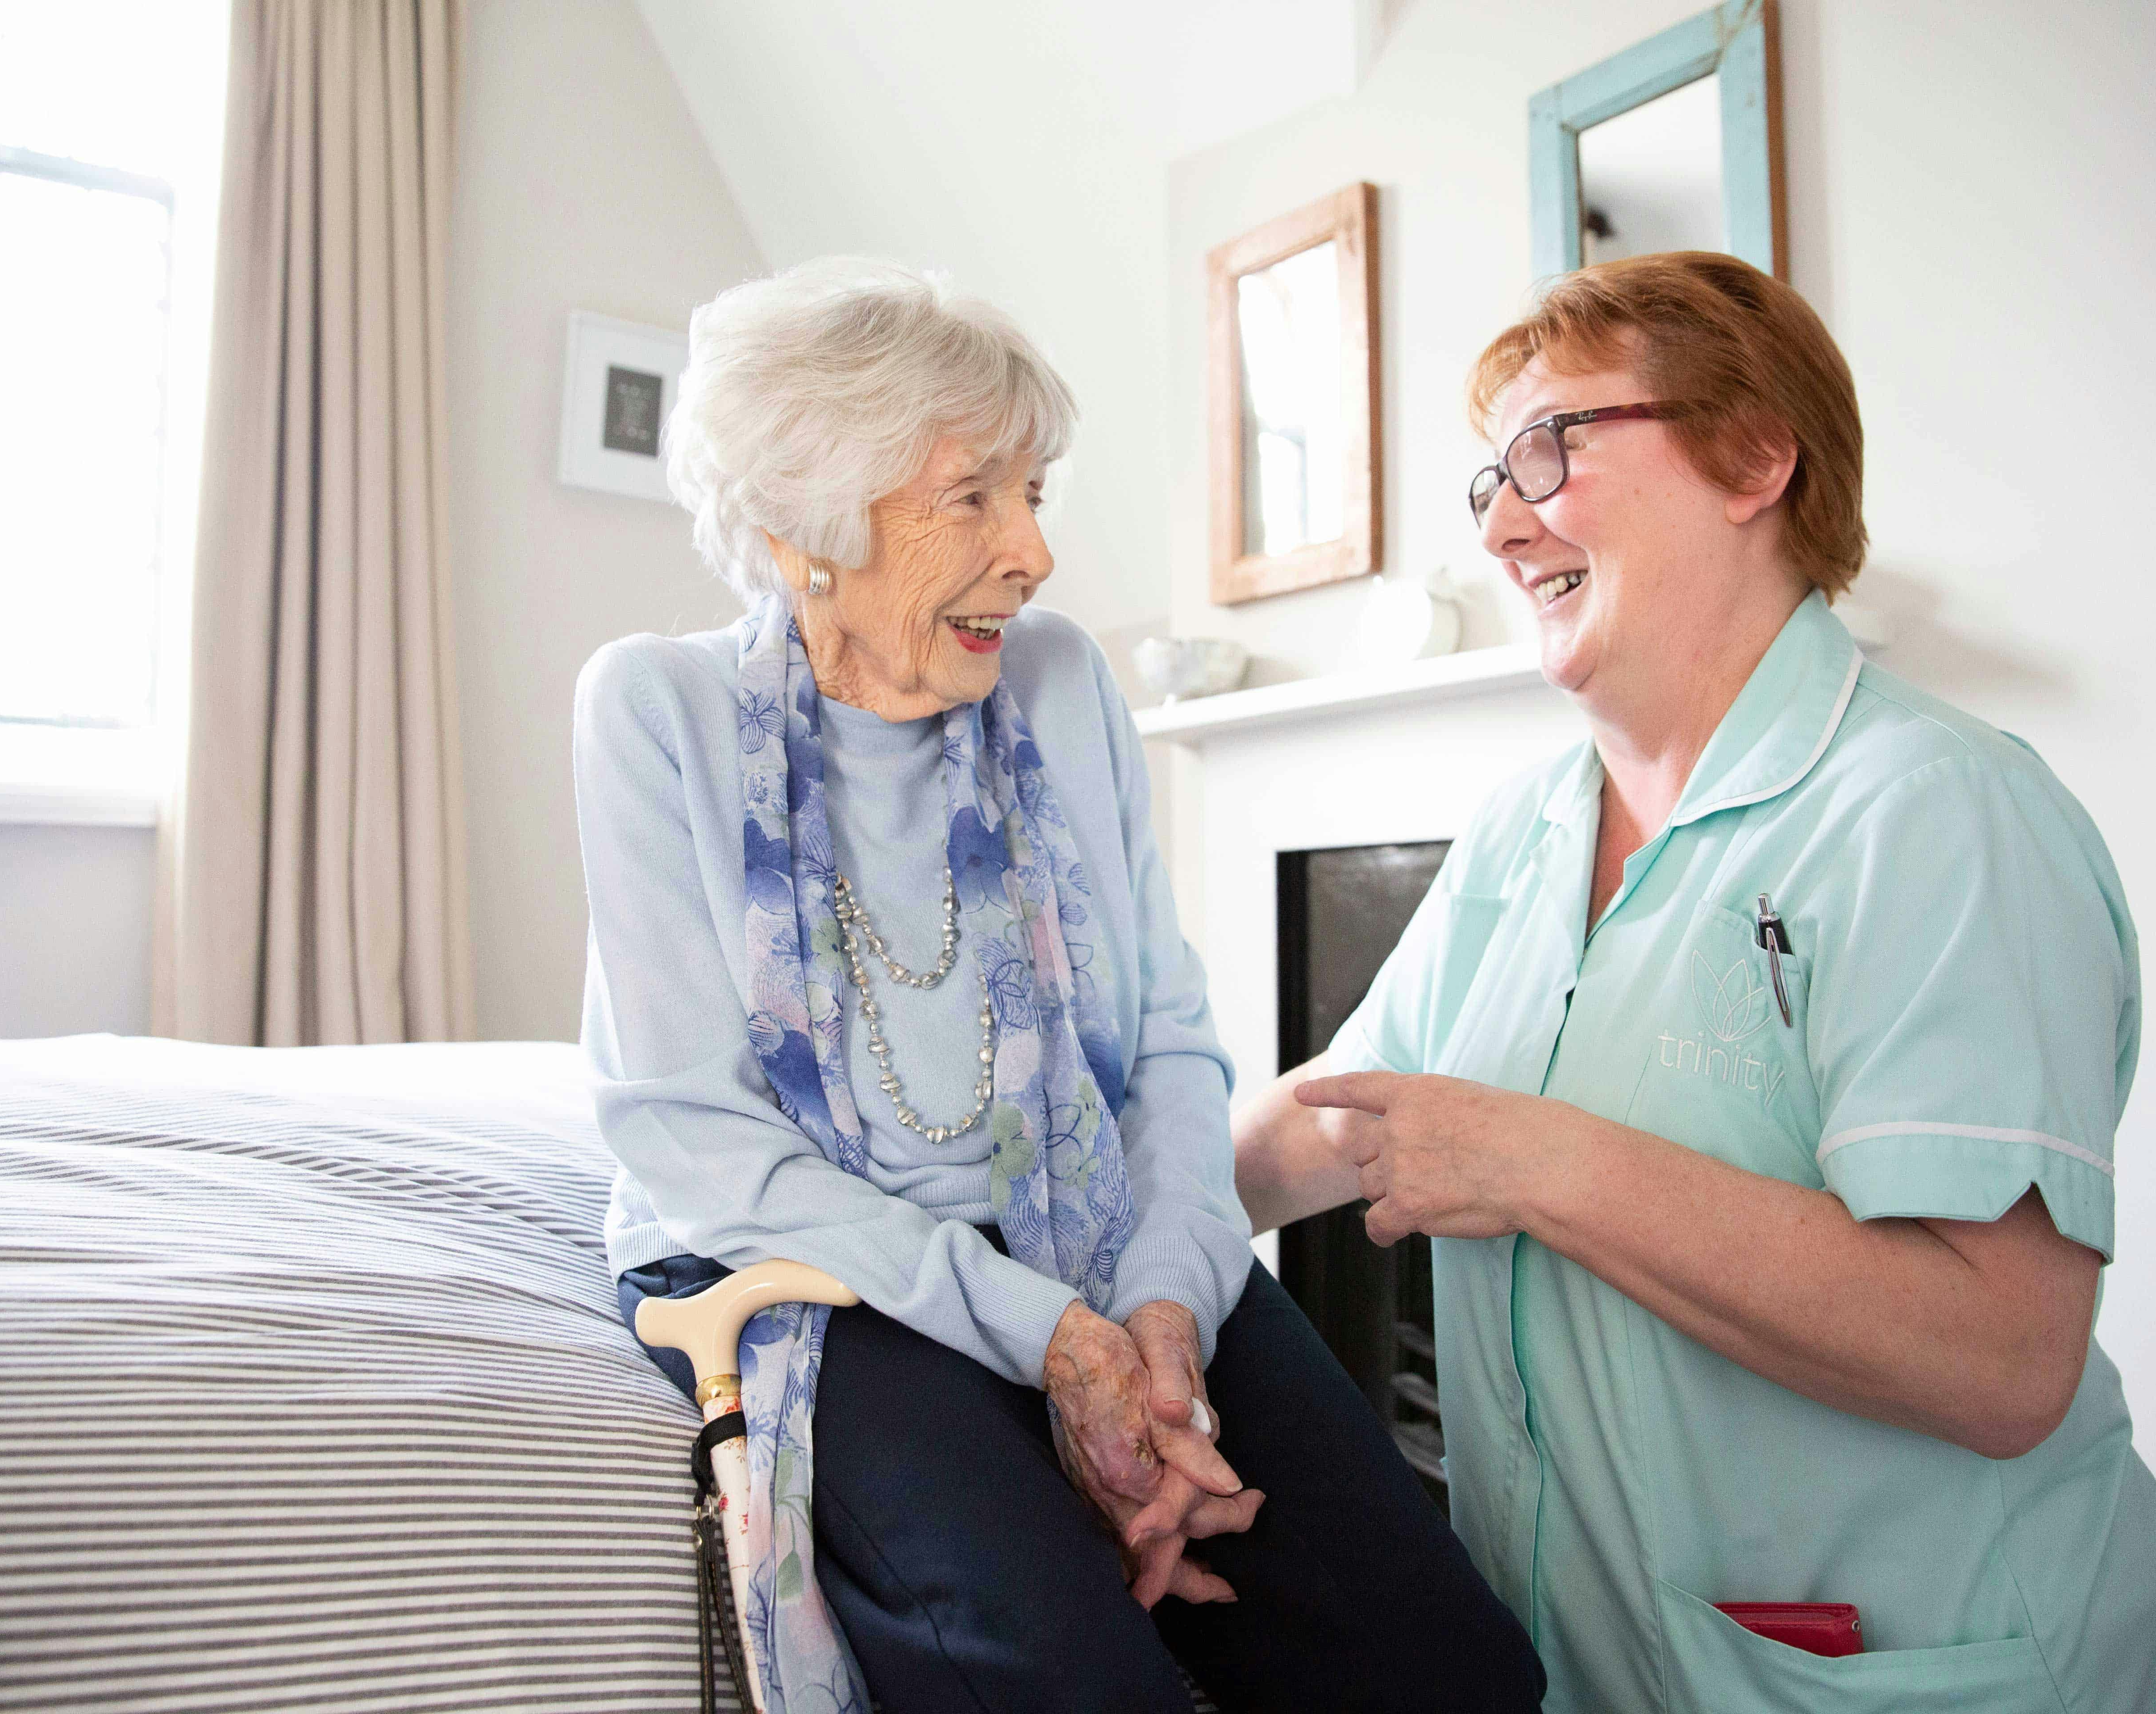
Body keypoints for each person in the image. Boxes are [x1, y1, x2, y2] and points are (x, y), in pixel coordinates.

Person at [1232, 251, 2156, 1712]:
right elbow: (1342, 1118)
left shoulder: (1936, 812)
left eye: (1552, 450)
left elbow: (2004, 1357)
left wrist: (1538, 1162)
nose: (1506, 525)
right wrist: (1092, 1276)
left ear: (1754, 457)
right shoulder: (1522, 832)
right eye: (1491, 482)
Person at [574, 257, 1541, 1714]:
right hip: (829, 1273)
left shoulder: (1059, 681)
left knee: (1450, 1668)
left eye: (1039, 495)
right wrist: (1053, 1344)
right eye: (975, 499)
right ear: (808, 529)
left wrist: (1159, 1318)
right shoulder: (658, 710)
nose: (1032, 553)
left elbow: (1163, 1046)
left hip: (1082, 1227)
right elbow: (692, 1137)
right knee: (1067, 1677)